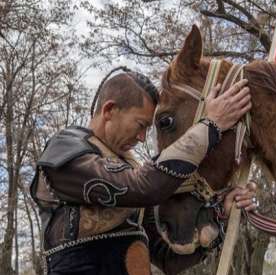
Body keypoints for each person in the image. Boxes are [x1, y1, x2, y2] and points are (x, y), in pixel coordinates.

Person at [30, 68, 255, 275]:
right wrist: (210, 126)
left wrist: (220, 214)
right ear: (109, 110)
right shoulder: (66, 150)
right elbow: (143, 187)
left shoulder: (130, 172)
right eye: (140, 125)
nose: (141, 138)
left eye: (147, 129)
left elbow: (168, 260)